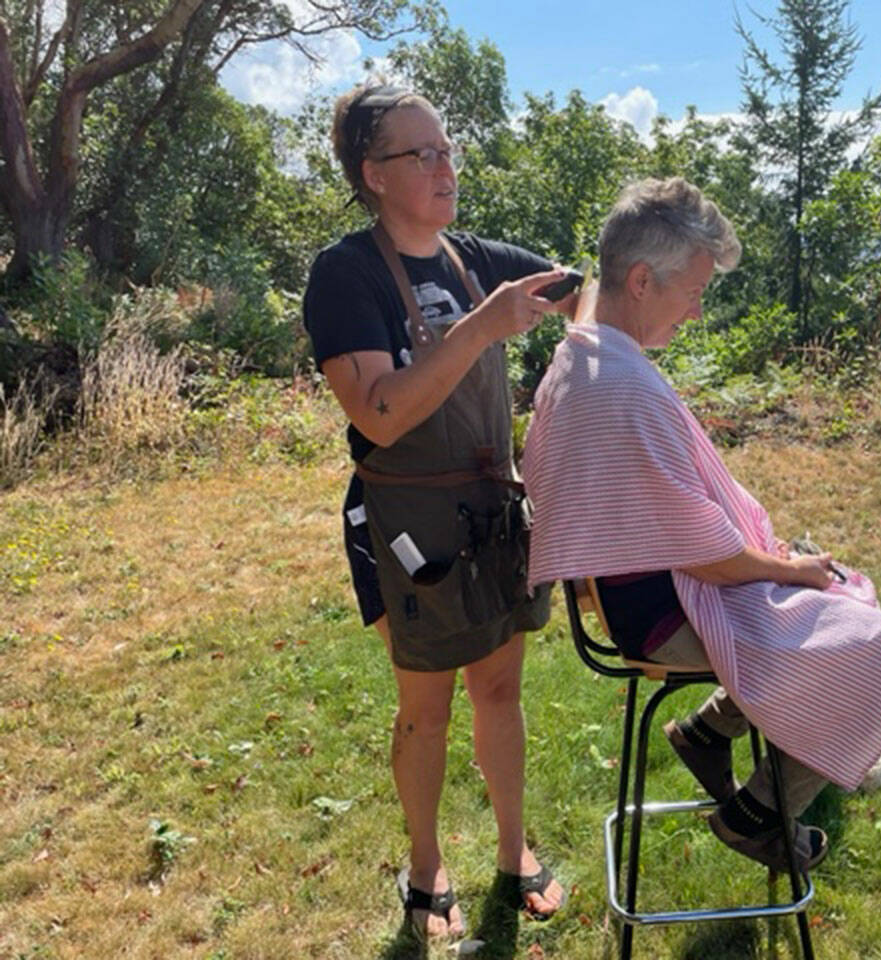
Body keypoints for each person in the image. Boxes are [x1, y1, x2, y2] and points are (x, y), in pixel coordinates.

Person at [522, 177, 881, 871]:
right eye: (691, 294)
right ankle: (756, 818)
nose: (693, 313)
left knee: (835, 600)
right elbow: (709, 556)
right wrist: (788, 569)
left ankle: (708, 732)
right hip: (668, 611)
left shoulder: (581, 354)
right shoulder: (621, 386)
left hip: (648, 593)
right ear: (638, 280)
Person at [301, 84, 567, 940]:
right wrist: (480, 330)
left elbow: (584, 292)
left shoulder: (475, 258)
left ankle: (512, 848)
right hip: (407, 526)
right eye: (425, 155)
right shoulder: (346, 275)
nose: (448, 167)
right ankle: (425, 866)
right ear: (373, 175)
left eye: (448, 149)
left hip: (493, 510)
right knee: (427, 705)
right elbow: (376, 411)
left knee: (500, 687)